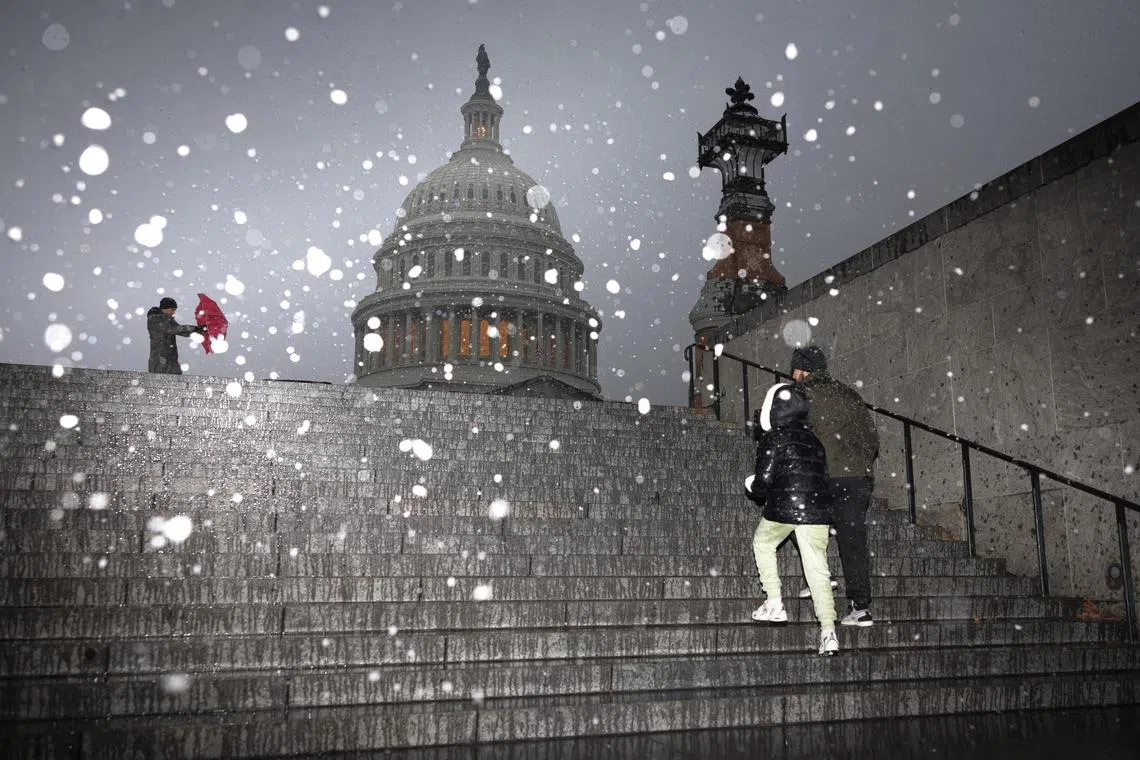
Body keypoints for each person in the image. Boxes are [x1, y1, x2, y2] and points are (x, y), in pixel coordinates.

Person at [747, 382, 839, 656]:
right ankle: (828, 632)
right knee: (818, 570)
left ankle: (774, 602)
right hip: (816, 511)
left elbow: (764, 479)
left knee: (763, 543)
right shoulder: (815, 440)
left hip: (784, 508)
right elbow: (821, 478)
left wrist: (753, 485)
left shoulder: (774, 437)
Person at [791, 345, 879, 628]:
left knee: (787, 512)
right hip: (857, 478)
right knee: (852, 540)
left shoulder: (804, 394)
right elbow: (872, 438)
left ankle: (822, 576)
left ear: (803, 370)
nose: (792, 376)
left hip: (826, 476)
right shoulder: (851, 394)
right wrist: (859, 465)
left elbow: (796, 436)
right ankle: (861, 607)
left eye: (795, 370)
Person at [147, 297, 204, 374]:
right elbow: (172, 329)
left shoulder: (169, 320)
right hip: (159, 359)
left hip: (171, 358)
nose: (174, 312)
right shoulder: (155, 319)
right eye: (172, 309)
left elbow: (182, 332)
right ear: (166, 307)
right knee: (160, 381)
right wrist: (194, 328)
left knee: (177, 379)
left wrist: (200, 331)